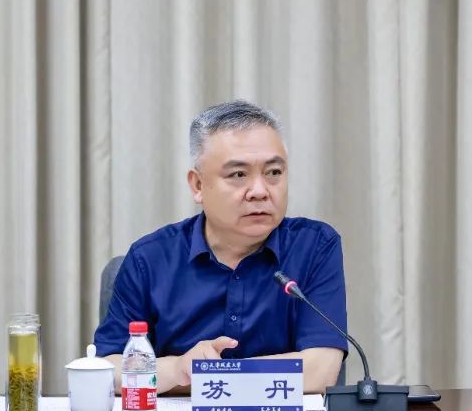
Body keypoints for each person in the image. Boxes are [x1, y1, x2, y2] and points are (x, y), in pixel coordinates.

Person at [94, 100, 347, 394]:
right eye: (238, 175)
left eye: (274, 172)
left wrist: (207, 376)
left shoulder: (314, 247)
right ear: (198, 185)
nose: (260, 191)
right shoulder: (150, 259)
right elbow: (107, 369)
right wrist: (177, 368)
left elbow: (320, 371)